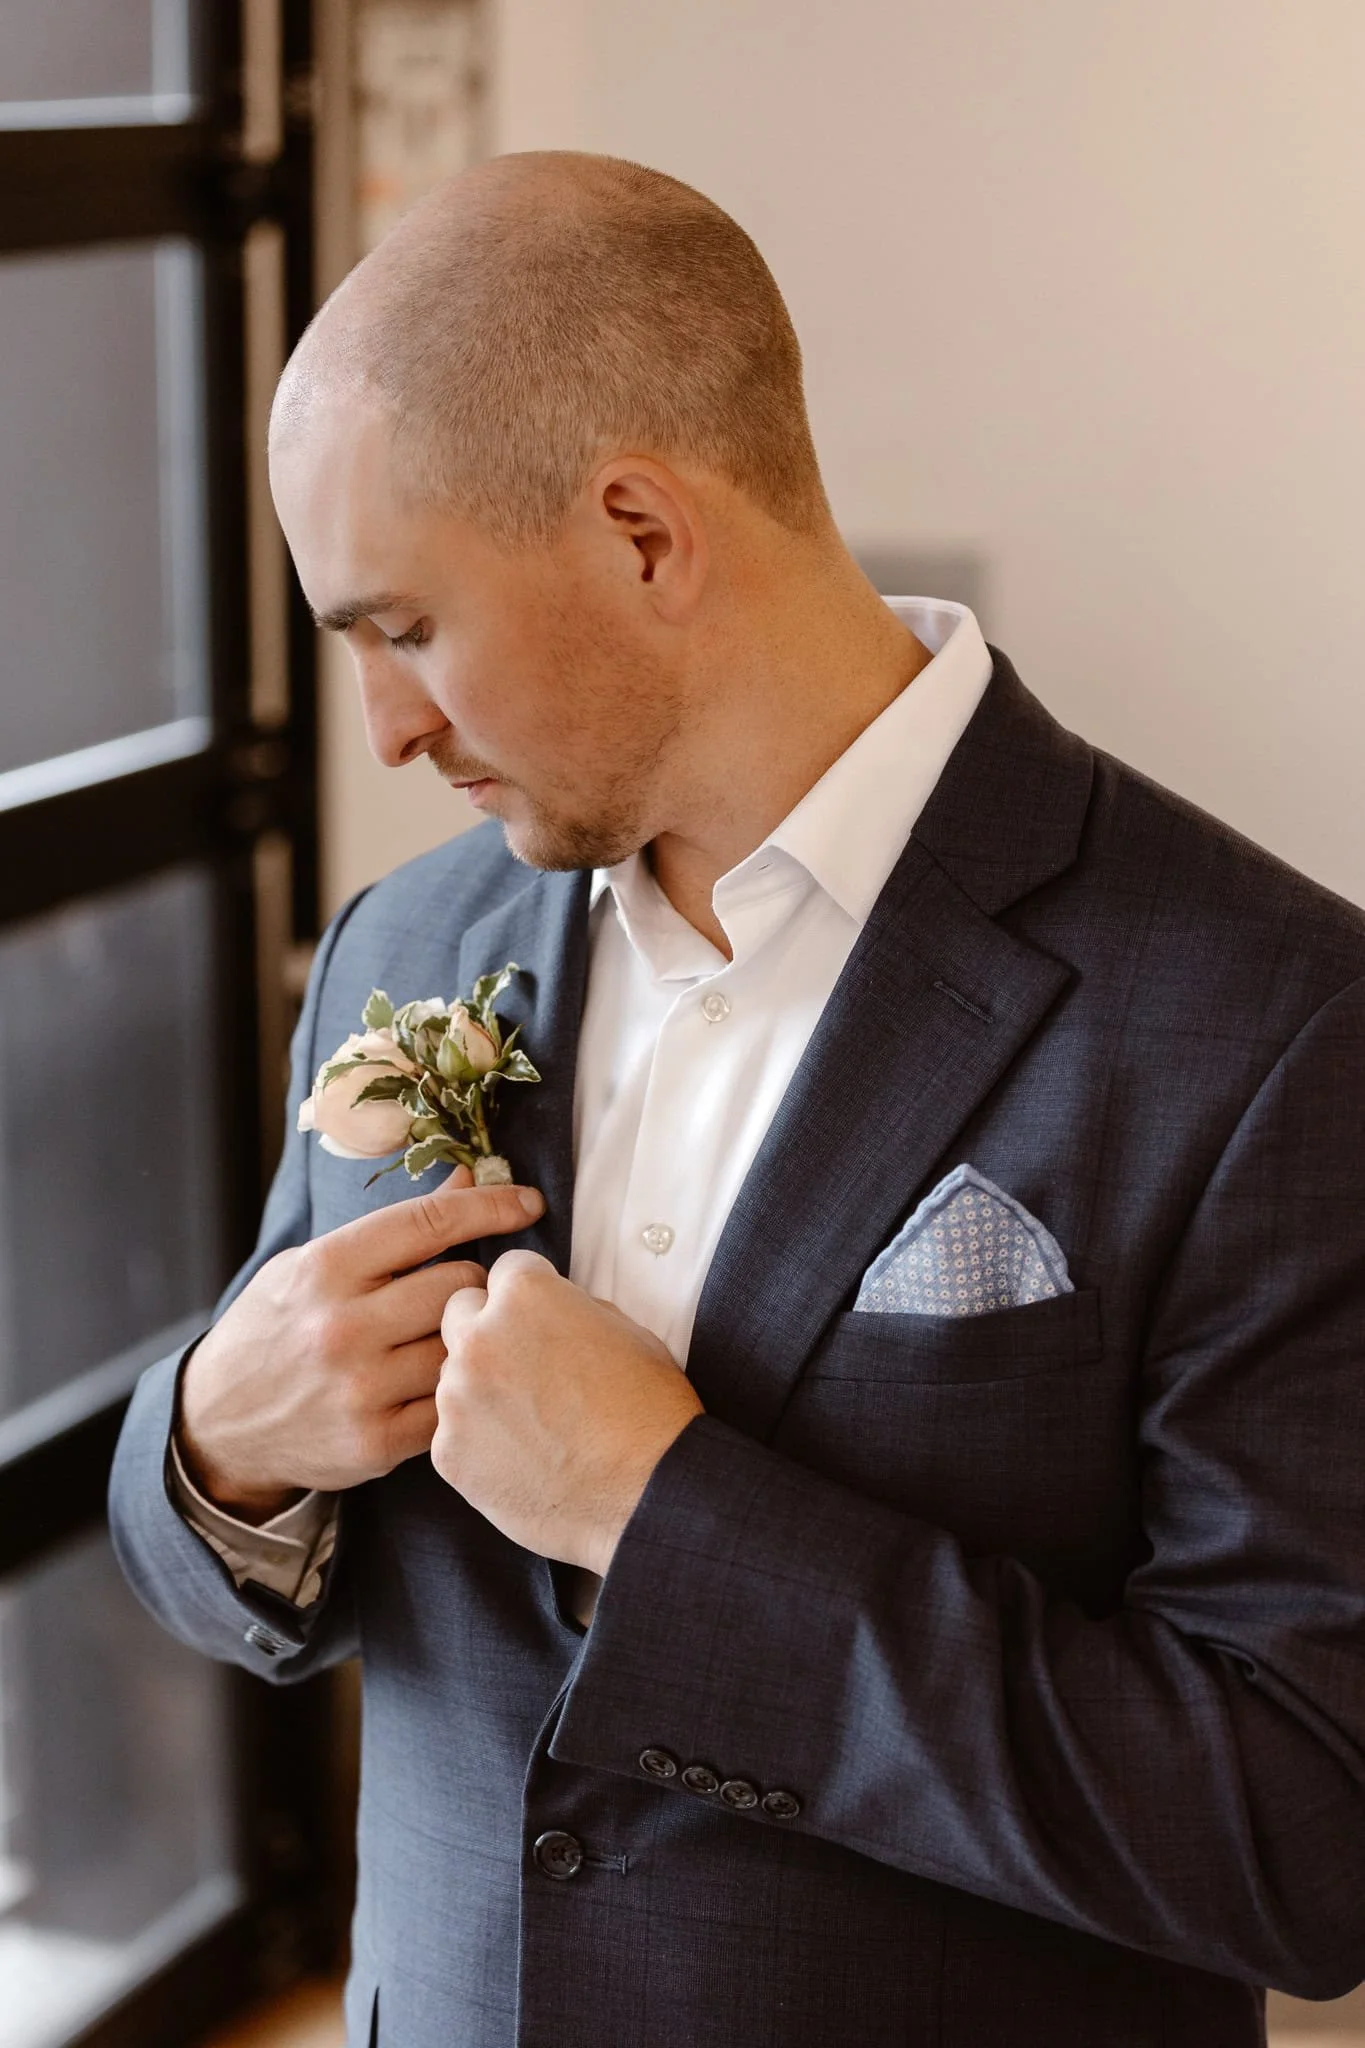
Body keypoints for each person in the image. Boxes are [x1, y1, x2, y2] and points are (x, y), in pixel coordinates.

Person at [109, 151, 1365, 2048]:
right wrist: (224, 1440)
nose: (384, 730)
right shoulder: (405, 943)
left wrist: (669, 1515)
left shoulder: (1273, 1024)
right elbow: (246, 1563)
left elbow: (1297, 1837)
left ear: (639, 529)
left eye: (405, 628)